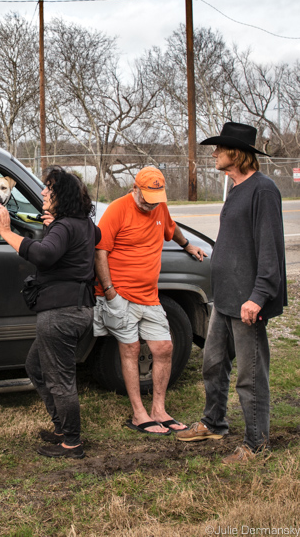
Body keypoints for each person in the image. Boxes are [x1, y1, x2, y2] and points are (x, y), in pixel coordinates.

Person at [176, 122, 287, 464]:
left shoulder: (263, 190)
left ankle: (256, 446)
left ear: (236, 154)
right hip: (225, 298)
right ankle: (214, 422)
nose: (213, 154)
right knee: (212, 364)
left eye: (219, 149)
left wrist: (258, 296)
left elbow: (270, 250)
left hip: (247, 301)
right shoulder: (237, 188)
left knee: (250, 378)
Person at [0, 167, 100, 459]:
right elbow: (85, 238)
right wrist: (54, 225)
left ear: (61, 195)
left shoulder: (66, 226)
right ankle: (61, 427)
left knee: (60, 379)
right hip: (77, 310)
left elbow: (43, 255)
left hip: (60, 314)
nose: (42, 191)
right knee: (36, 367)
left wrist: (6, 232)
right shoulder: (83, 224)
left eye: (49, 188)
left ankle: (72, 442)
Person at [94, 167, 207, 436]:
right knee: (130, 349)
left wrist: (187, 245)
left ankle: (159, 409)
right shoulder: (117, 210)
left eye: (155, 199)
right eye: (145, 198)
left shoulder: (159, 207)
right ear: (135, 189)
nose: (149, 204)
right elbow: (100, 252)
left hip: (149, 296)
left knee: (164, 348)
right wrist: (109, 291)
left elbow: (171, 227)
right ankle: (138, 414)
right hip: (120, 296)